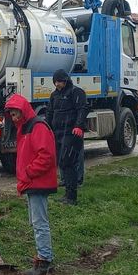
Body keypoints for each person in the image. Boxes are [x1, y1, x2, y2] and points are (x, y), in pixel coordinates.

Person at [4, 93, 58, 275]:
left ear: (23, 110)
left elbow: (46, 157)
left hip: (37, 182)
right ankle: (43, 256)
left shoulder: (37, 128)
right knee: (36, 221)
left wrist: (28, 173)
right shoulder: (25, 128)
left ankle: (45, 260)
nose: (13, 117)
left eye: (15, 113)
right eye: (11, 114)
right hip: (31, 182)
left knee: (39, 223)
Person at [46, 69, 88, 205]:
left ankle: (71, 197)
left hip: (71, 133)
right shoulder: (54, 96)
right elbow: (50, 113)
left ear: (65, 81)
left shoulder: (76, 92)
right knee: (62, 163)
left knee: (67, 162)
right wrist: (46, 128)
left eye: (60, 81)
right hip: (58, 133)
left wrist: (78, 126)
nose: (57, 84)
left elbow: (82, 109)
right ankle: (68, 194)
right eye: (56, 82)